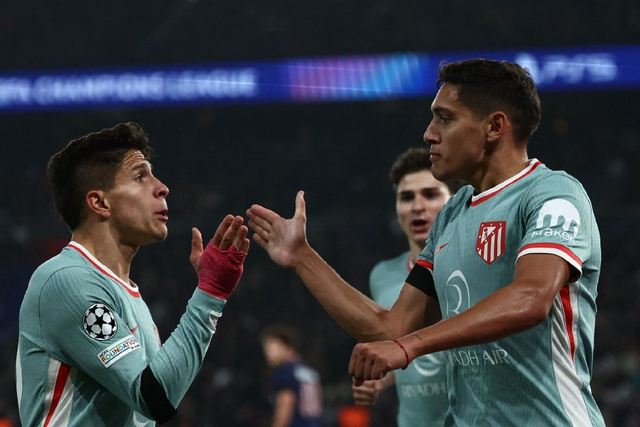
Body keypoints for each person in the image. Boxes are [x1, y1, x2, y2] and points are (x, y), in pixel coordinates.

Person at [246, 59, 605, 426]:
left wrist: (409, 346)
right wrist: (302, 257)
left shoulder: (553, 194)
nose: (429, 133)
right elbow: (393, 328)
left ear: (495, 126)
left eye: (445, 118)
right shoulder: (450, 216)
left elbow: (531, 297)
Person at [16, 122, 250, 426]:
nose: (162, 187)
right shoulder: (65, 279)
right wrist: (210, 293)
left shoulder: (124, 292)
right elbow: (154, 397)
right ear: (100, 202)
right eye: (140, 177)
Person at [352, 147, 453, 426]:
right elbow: (399, 355)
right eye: (407, 197)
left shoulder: (474, 267)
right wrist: (380, 380)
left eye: (430, 194)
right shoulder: (381, 275)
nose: (417, 206)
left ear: (455, 200)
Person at [261, 325, 322, 427]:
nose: (267, 354)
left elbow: (285, 406)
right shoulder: (309, 371)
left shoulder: (285, 372)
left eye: (271, 348)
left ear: (286, 347)